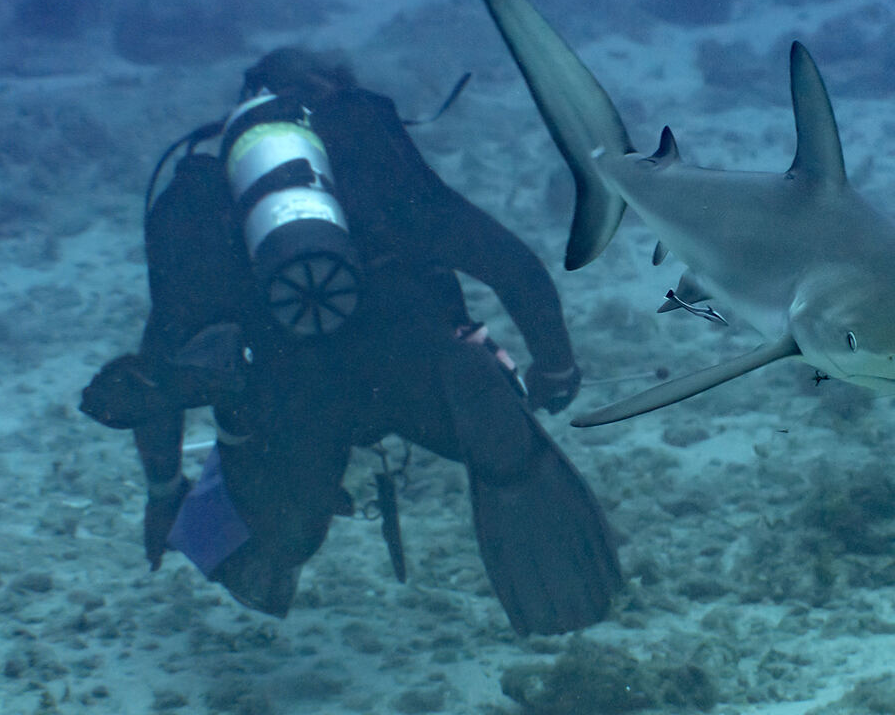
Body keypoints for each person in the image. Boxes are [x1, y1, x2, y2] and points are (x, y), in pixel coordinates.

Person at [81, 47, 621, 634]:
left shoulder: (203, 204)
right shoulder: (374, 160)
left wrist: (164, 490)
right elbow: (511, 264)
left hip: (288, 400)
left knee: (276, 524)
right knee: (459, 375)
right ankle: (481, 394)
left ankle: (262, 517)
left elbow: (157, 367)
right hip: (410, 367)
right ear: (337, 98)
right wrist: (555, 368)